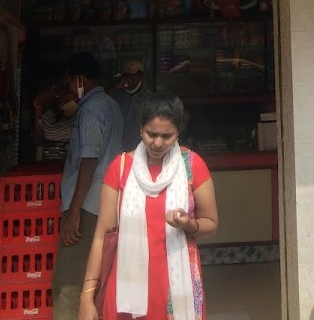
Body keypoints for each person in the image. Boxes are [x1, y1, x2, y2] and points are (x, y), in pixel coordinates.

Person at [79, 92, 219, 320]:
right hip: (125, 288)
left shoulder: (193, 166)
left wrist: (189, 225)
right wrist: (87, 296)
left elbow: (212, 223)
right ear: (140, 129)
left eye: (167, 136)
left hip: (177, 288)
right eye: (151, 134)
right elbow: (100, 237)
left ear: (178, 133)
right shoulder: (121, 167)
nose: (158, 143)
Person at [54, 53, 124, 320]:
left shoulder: (92, 109)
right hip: (104, 203)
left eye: (70, 82)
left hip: (87, 207)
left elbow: (89, 160)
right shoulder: (110, 105)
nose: (69, 89)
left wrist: (74, 212)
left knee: (69, 282)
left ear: (79, 79)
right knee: (95, 280)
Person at [112, 59, 146, 153]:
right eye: (126, 75)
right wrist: (115, 87)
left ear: (140, 76)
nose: (129, 78)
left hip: (139, 151)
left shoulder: (148, 97)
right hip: (117, 150)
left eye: (132, 75)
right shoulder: (116, 95)